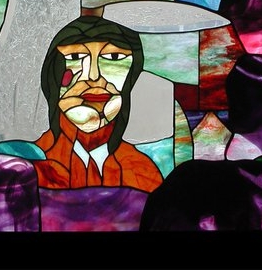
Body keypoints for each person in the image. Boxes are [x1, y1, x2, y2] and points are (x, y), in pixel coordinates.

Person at [31, 15, 164, 193]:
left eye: (113, 57)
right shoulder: (28, 166)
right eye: (75, 56)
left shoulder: (141, 172)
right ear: (53, 74)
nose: (94, 76)